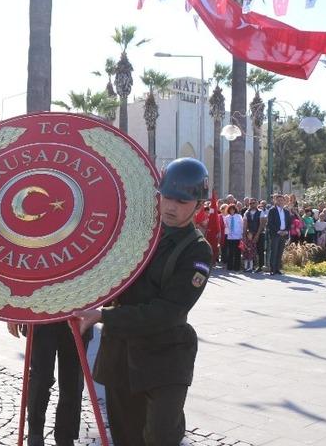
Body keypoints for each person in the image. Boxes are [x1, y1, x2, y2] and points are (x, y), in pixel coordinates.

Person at [74, 157, 212, 446]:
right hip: (120, 355)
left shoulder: (197, 251)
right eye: (167, 197)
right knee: (125, 437)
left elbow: (168, 311)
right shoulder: (137, 235)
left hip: (164, 358)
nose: (171, 206)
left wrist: (104, 316)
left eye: (182, 201)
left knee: (161, 436)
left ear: (199, 205)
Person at [7, 322, 92, 446]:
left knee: (73, 382)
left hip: (76, 316)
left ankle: (65, 437)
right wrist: (14, 314)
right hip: (42, 318)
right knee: (40, 379)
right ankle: (35, 434)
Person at [267, 194, 292, 275]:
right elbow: (270, 223)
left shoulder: (286, 212)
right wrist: (278, 231)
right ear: (275, 201)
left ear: (284, 201)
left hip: (284, 234)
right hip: (275, 234)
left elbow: (289, 223)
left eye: (282, 200)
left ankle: (277, 268)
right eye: (278, 200)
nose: (280, 202)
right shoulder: (272, 210)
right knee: (274, 251)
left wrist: (286, 231)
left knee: (280, 252)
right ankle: (272, 269)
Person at [224, 204, 242, 272]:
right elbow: (226, 226)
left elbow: (241, 225)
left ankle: (237, 267)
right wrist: (227, 234)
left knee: (237, 252)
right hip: (230, 237)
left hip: (238, 236)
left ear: (235, 210)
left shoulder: (239, 216)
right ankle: (230, 266)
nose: (232, 211)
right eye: (230, 209)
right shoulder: (227, 217)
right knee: (230, 252)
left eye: (233, 209)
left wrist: (241, 235)